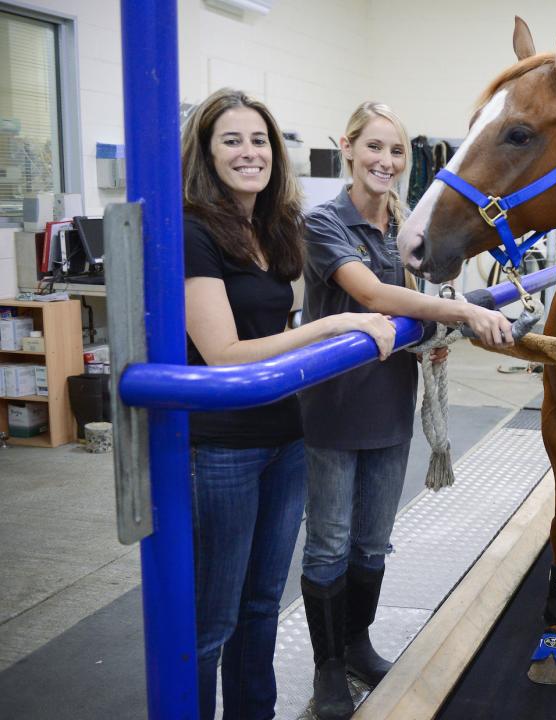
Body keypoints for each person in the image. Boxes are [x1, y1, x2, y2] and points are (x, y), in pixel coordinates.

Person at [182, 87, 397, 720]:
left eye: (259, 141)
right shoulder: (194, 230)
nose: (249, 152)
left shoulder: (272, 229)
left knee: (261, 606)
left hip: (286, 433)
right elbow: (223, 352)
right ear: (206, 151)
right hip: (221, 447)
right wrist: (335, 326)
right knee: (212, 619)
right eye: (232, 140)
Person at [298, 101, 513, 719]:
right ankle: (327, 665)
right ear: (347, 147)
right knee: (329, 544)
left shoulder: (401, 223)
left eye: (396, 152)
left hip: (389, 404)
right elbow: (371, 293)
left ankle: (358, 643)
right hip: (335, 409)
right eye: (374, 148)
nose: (386, 162)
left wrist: (431, 338)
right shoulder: (324, 223)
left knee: (372, 543)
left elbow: (410, 306)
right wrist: (464, 313)